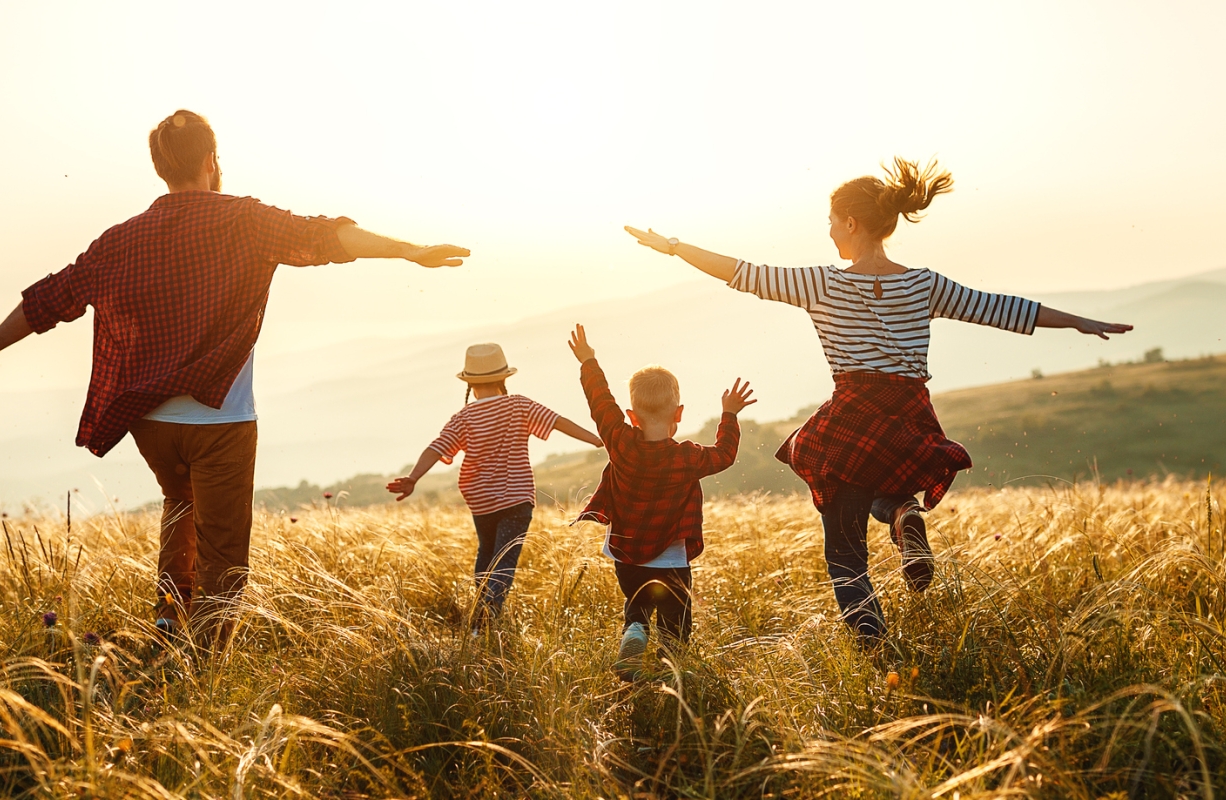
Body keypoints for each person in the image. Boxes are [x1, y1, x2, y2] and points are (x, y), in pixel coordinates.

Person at [0, 110, 469, 647]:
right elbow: (327, 237)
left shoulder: (120, 239)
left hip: (150, 423)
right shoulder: (245, 220)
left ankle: (168, 620)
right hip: (221, 422)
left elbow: (50, 299)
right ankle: (204, 665)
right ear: (212, 160)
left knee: (179, 505)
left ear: (161, 168)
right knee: (224, 551)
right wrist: (409, 251)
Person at [623, 157, 1131, 648]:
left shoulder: (822, 283)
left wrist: (672, 247)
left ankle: (875, 649)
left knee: (844, 552)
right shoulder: (923, 283)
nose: (827, 233)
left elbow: (740, 271)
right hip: (910, 414)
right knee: (877, 486)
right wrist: (1080, 322)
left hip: (853, 412)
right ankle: (903, 514)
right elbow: (1000, 308)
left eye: (830, 223)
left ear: (850, 222)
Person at [566, 324, 751, 680]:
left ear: (631, 416)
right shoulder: (687, 457)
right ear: (678, 414)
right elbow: (725, 454)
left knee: (637, 602)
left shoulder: (620, 441)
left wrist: (588, 361)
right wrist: (729, 415)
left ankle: (635, 628)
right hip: (670, 556)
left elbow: (600, 402)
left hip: (625, 552)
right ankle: (671, 672)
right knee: (675, 621)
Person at [385, 343, 603, 629]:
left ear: (471, 384)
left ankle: (479, 619)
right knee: (505, 559)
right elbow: (558, 422)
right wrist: (597, 439)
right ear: (503, 378)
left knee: (486, 553)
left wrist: (413, 478)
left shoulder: (463, 418)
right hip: (516, 498)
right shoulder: (519, 405)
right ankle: (487, 617)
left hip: (480, 501)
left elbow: (436, 448)